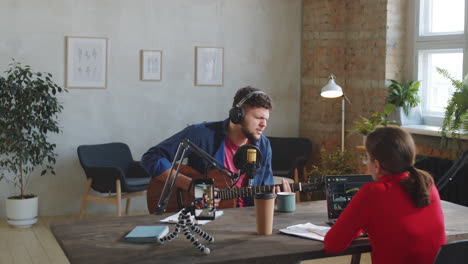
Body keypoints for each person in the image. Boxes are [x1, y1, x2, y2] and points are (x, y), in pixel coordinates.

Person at [141, 86, 291, 208]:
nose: (264, 124)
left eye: (266, 119)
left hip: (246, 221)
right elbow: (151, 157)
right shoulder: (202, 134)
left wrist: (274, 200)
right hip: (204, 220)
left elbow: (263, 192)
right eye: (259, 118)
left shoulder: (263, 146)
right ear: (237, 115)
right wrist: (191, 185)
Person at [324, 126, 446, 264]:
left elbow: (332, 245)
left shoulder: (374, 192)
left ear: (377, 165)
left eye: (367, 158)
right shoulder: (427, 184)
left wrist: (359, 227)